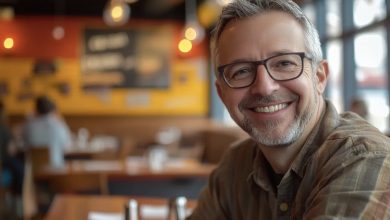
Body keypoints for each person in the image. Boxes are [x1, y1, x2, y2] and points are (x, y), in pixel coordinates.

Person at [189, 0, 390, 219]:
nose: (264, 87)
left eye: (284, 63)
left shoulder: (365, 158)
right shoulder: (235, 166)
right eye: (241, 71)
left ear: (319, 77)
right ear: (221, 94)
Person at [23, 96, 72, 168]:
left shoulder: (28, 126)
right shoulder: (58, 125)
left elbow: (24, 145)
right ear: (52, 110)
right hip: (55, 171)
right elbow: (67, 146)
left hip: (34, 172)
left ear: (36, 109)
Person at [0, 100, 24, 195]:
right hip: (3, 165)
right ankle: (19, 196)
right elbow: (11, 151)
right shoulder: (4, 129)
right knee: (20, 169)